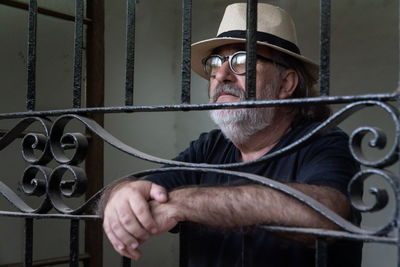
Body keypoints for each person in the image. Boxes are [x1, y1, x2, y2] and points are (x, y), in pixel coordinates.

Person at [100, 3, 362, 266]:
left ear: (286, 84)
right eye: (215, 63)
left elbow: (327, 214)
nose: (221, 75)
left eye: (242, 61)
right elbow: (146, 191)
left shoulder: (325, 142)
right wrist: (121, 193)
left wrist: (183, 202)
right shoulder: (209, 147)